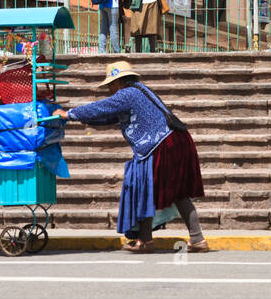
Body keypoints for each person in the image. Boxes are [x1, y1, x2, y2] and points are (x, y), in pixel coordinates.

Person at [56, 61, 208, 253]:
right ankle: (187, 239)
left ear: (119, 82)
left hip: (162, 144)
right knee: (163, 192)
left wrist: (69, 113)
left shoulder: (127, 94)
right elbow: (107, 117)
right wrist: (78, 119)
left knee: (144, 189)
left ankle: (149, 241)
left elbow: (101, 108)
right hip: (174, 140)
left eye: (111, 85)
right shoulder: (139, 90)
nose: (110, 89)